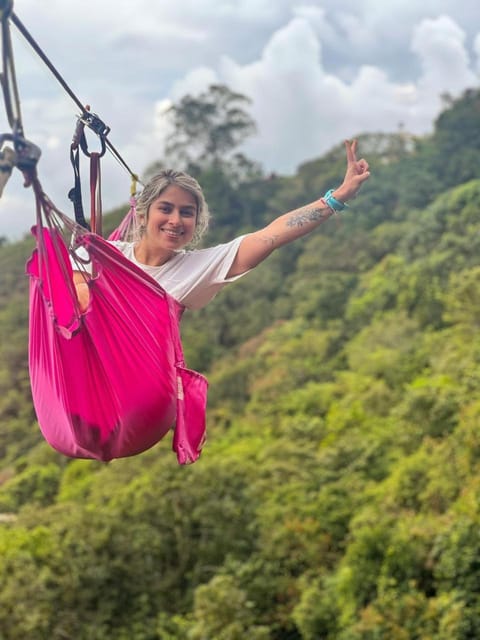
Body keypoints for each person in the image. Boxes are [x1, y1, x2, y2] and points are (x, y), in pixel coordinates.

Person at [73, 139, 370, 311]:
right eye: (165, 209)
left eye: (187, 213)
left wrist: (337, 198)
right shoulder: (102, 254)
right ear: (141, 215)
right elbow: (70, 291)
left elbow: (271, 237)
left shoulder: (198, 267)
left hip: (139, 392)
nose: (175, 221)